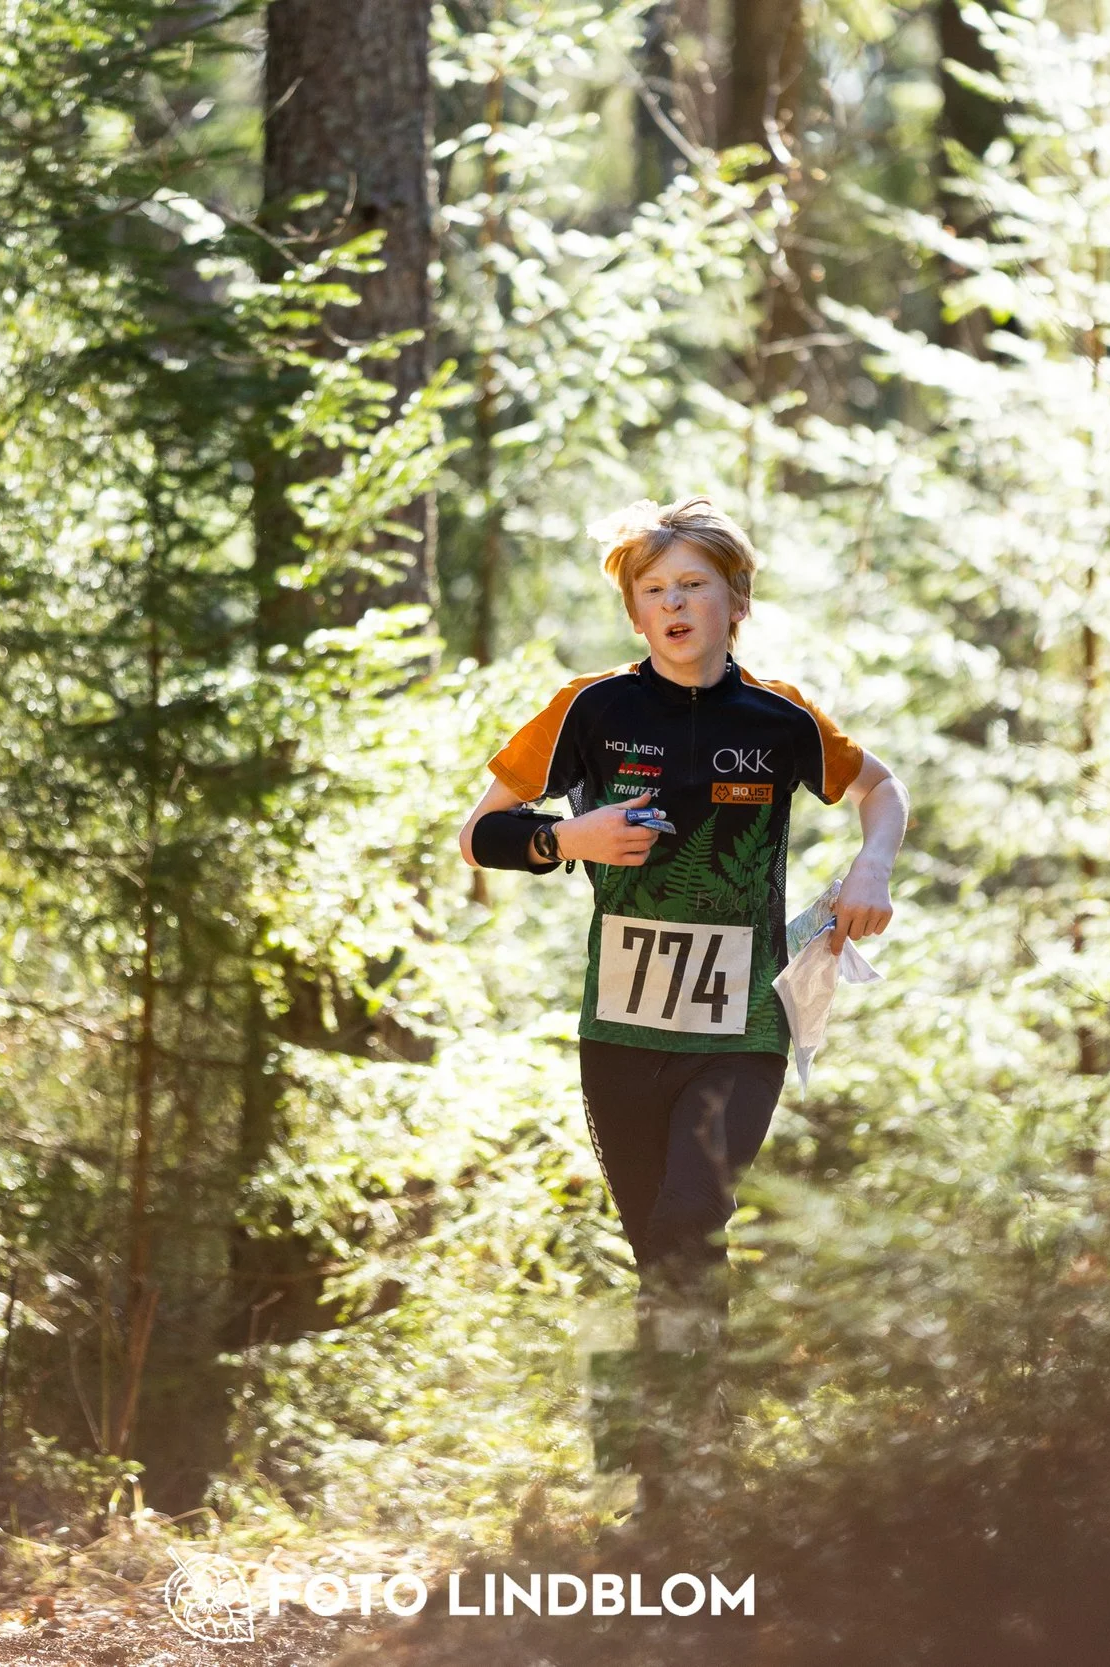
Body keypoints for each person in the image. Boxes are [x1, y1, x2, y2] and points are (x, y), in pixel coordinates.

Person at [459, 496, 907, 1501]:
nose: (674, 602)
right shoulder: (589, 710)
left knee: (692, 1220)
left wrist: (870, 866)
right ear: (633, 611)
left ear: (733, 600)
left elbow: (885, 787)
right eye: (653, 589)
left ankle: (671, 1492)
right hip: (618, 1030)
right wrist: (565, 838)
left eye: (692, 584)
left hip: (739, 1025)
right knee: (656, 1248)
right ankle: (680, 1452)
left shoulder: (779, 717)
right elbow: (479, 831)